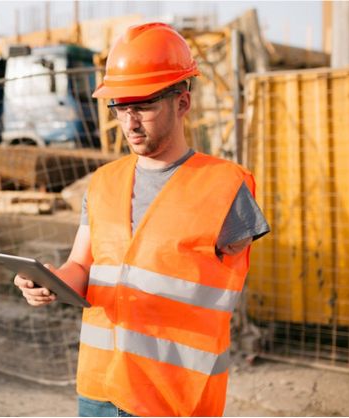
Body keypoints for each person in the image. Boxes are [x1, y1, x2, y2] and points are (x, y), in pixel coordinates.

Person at [14, 22, 270, 417]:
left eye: (144, 106)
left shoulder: (225, 188)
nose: (130, 122)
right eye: (120, 107)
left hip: (174, 399)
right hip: (99, 389)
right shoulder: (103, 183)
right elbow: (81, 266)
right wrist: (48, 280)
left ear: (182, 103)